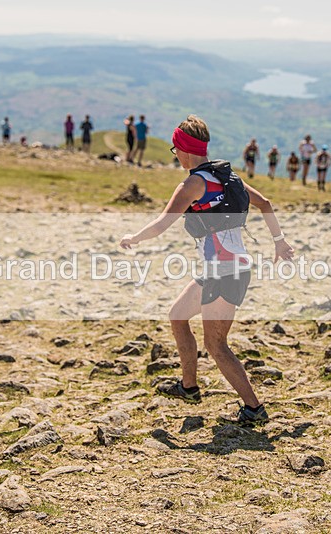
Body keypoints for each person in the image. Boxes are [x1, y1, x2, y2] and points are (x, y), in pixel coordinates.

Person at [120, 115, 294, 426]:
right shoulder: (229, 178)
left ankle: (254, 409)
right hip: (224, 268)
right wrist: (279, 242)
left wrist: (133, 238)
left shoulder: (192, 184)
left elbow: (161, 224)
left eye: (175, 151)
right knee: (177, 315)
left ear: (183, 149)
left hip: (224, 271)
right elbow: (265, 203)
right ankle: (189, 387)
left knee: (216, 344)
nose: (176, 157)